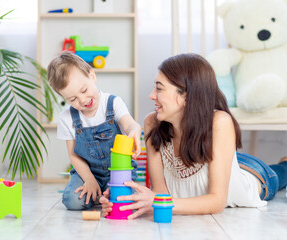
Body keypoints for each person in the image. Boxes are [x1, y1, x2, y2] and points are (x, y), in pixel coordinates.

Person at [100, 53, 287, 219]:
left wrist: (156, 201)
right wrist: (125, 200)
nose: (151, 95)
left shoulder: (220, 122)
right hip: (218, 161)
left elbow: (216, 202)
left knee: (281, 172)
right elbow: (159, 193)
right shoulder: (152, 123)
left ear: (187, 96)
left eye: (159, 88)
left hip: (255, 175)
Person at [47, 51, 141, 210]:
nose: (83, 100)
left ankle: (103, 196)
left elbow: (130, 124)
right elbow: (73, 155)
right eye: (73, 99)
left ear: (92, 76)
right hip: (88, 172)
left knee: (124, 200)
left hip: (119, 170)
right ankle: (100, 194)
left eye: (83, 90)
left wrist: (134, 130)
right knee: (72, 201)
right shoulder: (67, 118)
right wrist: (89, 179)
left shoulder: (113, 103)